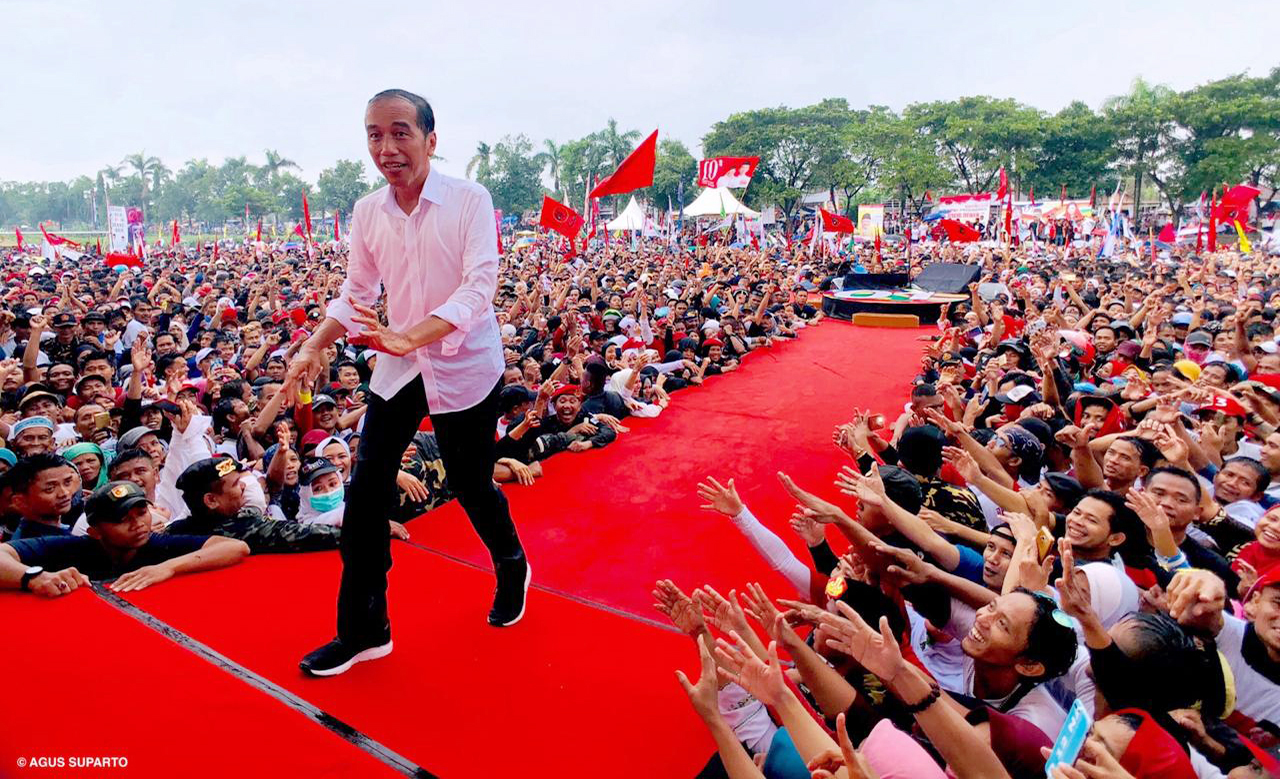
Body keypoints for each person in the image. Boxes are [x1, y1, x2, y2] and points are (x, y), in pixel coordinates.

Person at [284, 88, 528, 677]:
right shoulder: (369, 211)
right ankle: (365, 631)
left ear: (430, 140)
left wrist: (410, 335)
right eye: (374, 135)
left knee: (471, 482)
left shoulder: (469, 200)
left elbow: (479, 286)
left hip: (465, 364)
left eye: (400, 132)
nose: (386, 147)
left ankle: (511, 561)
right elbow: (357, 292)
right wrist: (314, 345)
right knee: (366, 494)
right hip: (398, 368)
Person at [0, 480, 248, 596]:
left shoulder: (157, 544)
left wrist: (168, 568)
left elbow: (235, 547)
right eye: (122, 519)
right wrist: (34, 577)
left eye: (141, 513)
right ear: (95, 532)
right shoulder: (70, 548)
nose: (137, 524)